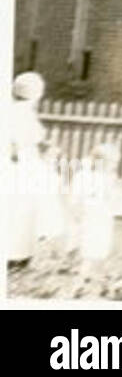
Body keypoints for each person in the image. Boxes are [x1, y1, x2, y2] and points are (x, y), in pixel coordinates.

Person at [6, 72, 48, 266]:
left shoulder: (10, 110)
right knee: (23, 209)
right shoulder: (25, 114)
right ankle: (19, 254)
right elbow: (33, 139)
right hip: (23, 165)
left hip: (13, 164)